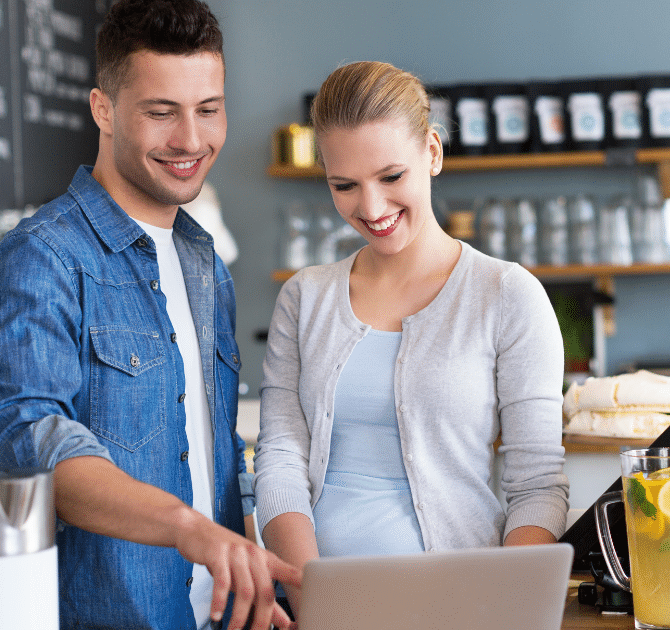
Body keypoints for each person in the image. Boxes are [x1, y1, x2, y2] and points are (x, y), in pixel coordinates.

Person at [0, 1, 298, 628]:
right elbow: (29, 446)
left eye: (208, 109)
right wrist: (184, 528)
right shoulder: (42, 259)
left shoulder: (205, 262)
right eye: (160, 112)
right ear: (103, 109)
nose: (191, 141)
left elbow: (216, 452)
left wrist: (257, 572)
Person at [254, 61, 569, 612]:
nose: (371, 208)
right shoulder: (304, 299)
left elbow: (537, 486)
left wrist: (502, 607)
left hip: (460, 604)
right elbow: (280, 462)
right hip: (322, 604)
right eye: (344, 185)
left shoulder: (506, 295)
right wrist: (316, 601)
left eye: (391, 176)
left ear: (433, 151)